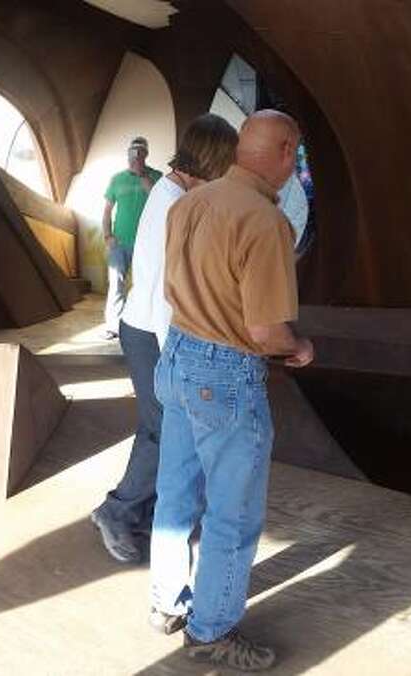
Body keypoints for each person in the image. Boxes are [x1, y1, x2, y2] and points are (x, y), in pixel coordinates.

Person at [149, 110, 314, 672]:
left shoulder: (191, 200)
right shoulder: (265, 223)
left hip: (176, 357)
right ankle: (212, 629)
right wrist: (299, 348)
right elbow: (266, 331)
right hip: (223, 378)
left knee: (175, 492)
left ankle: (166, 602)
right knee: (232, 514)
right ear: (287, 153)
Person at [90, 115, 239, 564]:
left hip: (150, 330)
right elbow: (159, 287)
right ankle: (115, 511)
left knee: (165, 428)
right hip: (151, 333)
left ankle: (143, 510)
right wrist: (175, 355)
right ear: (211, 159)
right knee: (161, 429)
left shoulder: (172, 192)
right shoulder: (174, 201)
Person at [102, 137, 162, 339]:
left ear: (146, 154)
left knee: (146, 284)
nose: (135, 156)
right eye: (132, 152)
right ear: (127, 153)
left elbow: (159, 199)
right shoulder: (116, 179)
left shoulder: (157, 176)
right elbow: (107, 211)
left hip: (147, 244)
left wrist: (142, 175)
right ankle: (113, 326)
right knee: (116, 284)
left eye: (140, 152)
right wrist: (107, 235)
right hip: (119, 243)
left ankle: (141, 326)